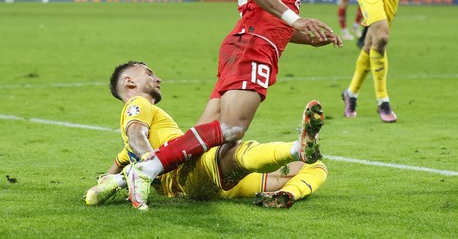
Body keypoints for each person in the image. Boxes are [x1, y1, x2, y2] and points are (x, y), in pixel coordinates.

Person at [123, 0, 342, 209]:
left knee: (207, 130)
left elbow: (273, 22)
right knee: (232, 129)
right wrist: (297, 18)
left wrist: (308, 37)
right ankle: (147, 170)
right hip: (253, 48)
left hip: (245, 44)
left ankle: (131, 176)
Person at [85, 61, 327, 210]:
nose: (157, 78)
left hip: (212, 185)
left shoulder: (138, 137)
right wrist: (149, 157)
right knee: (232, 149)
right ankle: (297, 147)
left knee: (316, 167)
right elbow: (136, 133)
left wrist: (106, 183)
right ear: (129, 82)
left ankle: (287, 194)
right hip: (187, 173)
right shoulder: (138, 103)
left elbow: (120, 161)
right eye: (148, 73)